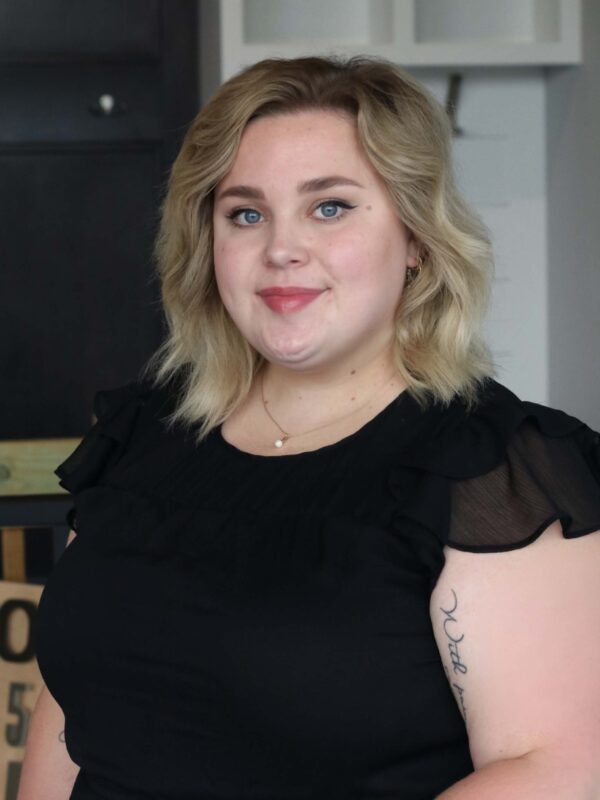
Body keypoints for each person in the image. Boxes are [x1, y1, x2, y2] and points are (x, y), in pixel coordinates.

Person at [20, 56, 600, 800]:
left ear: (417, 237)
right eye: (246, 213)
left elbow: (555, 768)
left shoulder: (496, 469)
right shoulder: (139, 434)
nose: (281, 248)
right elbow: (68, 704)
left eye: (330, 207)